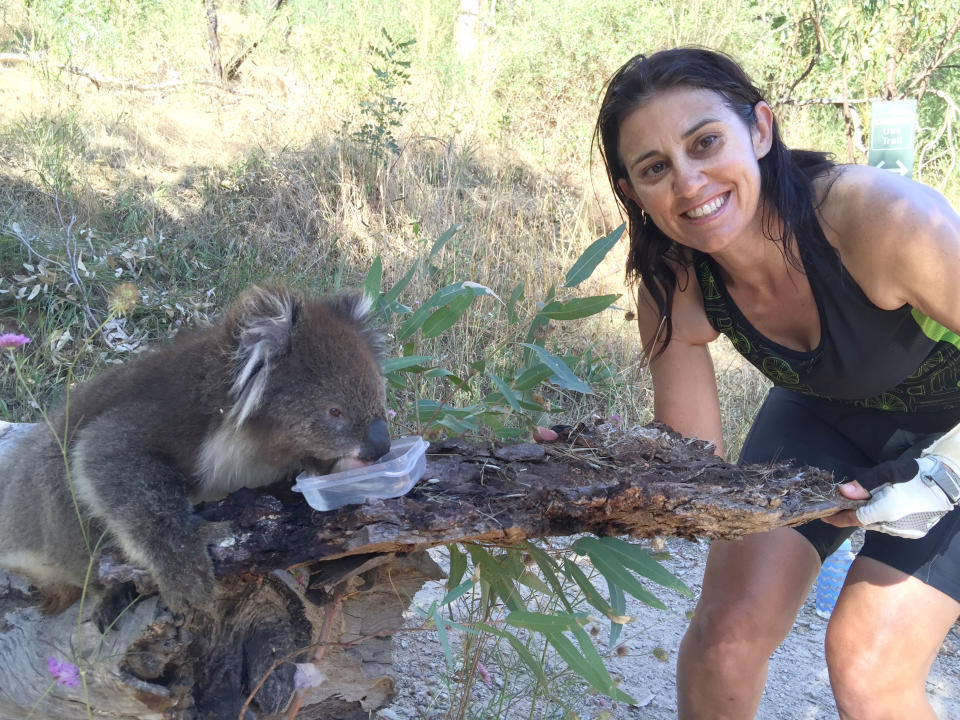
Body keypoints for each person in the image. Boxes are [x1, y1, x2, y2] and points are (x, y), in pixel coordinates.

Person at [592, 47, 960, 719]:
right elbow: (691, 476)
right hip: (825, 417)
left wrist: (944, 473)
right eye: (655, 168)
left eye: (706, 142)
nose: (690, 183)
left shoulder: (878, 219)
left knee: (867, 663)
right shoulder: (675, 282)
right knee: (723, 642)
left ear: (760, 129)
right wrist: (591, 459)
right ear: (631, 191)